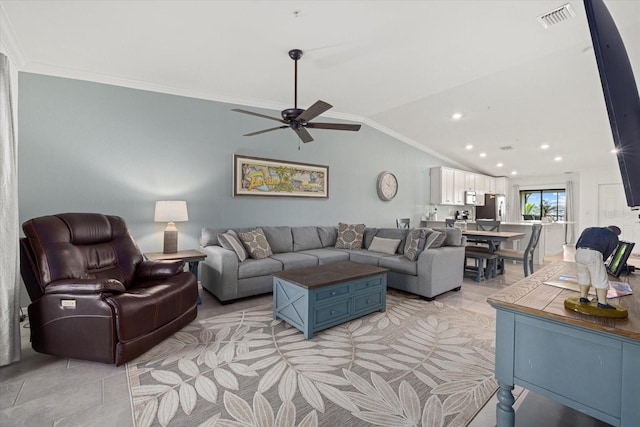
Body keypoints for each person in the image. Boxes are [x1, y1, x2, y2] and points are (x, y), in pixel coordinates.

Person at [574, 225, 621, 309]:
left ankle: (583, 297)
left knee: (583, 276)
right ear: (616, 233)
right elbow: (609, 251)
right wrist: (602, 261)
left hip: (579, 252)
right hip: (594, 254)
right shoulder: (613, 236)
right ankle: (602, 303)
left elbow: (577, 244)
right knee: (600, 278)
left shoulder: (588, 229)